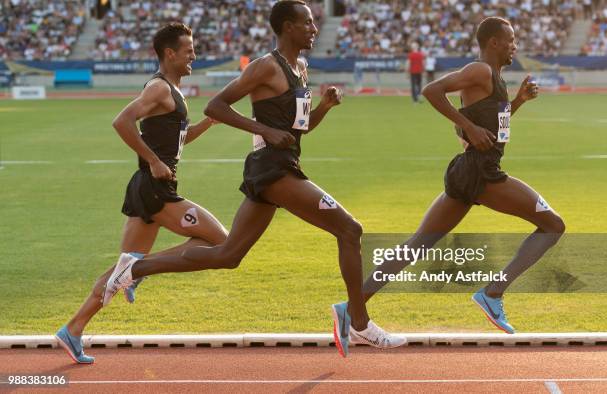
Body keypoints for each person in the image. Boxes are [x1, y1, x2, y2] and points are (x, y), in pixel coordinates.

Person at [101, 0, 406, 358]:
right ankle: (358, 322)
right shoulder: (265, 66)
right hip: (271, 169)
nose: (314, 29)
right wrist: (263, 129)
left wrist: (324, 106)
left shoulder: (300, 68)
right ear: (287, 27)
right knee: (350, 229)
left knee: (229, 254)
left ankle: (136, 267)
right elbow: (216, 106)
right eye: (307, 23)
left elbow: (297, 130)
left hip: (283, 163)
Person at [363, 17, 565, 333]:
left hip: (468, 172)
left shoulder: (494, 77)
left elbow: (492, 124)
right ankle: (493, 292)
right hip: (483, 174)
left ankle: (353, 305)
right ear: (494, 42)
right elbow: (432, 90)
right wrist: (468, 126)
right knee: (553, 225)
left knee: (418, 243)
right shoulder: (480, 70)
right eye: (510, 39)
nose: (515, 45)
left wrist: (519, 102)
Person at [55, 23, 228, 364]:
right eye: (189, 50)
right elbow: (122, 121)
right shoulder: (159, 89)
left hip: (148, 187)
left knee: (120, 271)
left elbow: (176, 140)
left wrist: (206, 125)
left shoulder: (173, 92)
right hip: (155, 190)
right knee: (221, 240)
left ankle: (73, 329)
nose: (194, 55)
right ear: (170, 53)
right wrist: (152, 161)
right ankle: (141, 269)